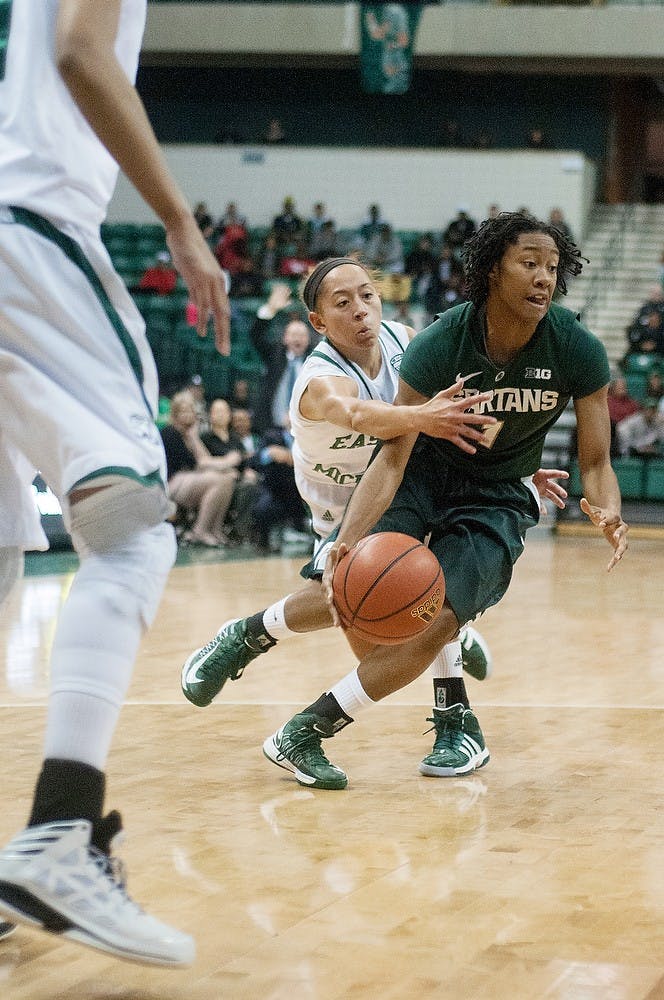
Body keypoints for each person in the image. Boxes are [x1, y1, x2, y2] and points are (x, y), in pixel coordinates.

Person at [0, 0, 230, 963]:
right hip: (32, 238)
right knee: (134, 528)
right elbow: (83, 50)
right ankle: (61, 826)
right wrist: (180, 221)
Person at [257, 214, 628, 792]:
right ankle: (251, 636)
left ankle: (306, 730)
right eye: (529, 264)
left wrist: (607, 509)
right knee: (349, 584)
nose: (544, 279)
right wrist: (345, 541)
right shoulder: (438, 344)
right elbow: (394, 456)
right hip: (423, 475)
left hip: (497, 498)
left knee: (433, 622)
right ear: (490, 271)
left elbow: (597, 462)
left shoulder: (576, 349)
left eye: (553, 268)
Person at [181, 256, 568, 769]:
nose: (361, 310)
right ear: (319, 322)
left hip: (411, 482)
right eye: (343, 303)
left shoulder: (404, 339)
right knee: (361, 620)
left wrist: (515, 467)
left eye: (367, 295)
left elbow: (463, 411)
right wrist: (421, 416)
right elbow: (359, 414)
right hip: (342, 507)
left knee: (424, 610)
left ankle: (454, 709)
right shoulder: (318, 382)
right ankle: (250, 633)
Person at [161, 392, 238, 547]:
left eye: (190, 410)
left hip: (187, 479)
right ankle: (200, 530)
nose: (187, 415)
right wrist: (226, 463)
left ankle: (215, 529)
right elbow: (198, 464)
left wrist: (194, 437)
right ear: (175, 413)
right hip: (170, 483)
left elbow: (204, 458)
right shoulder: (170, 433)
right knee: (218, 480)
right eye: (183, 411)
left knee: (227, 480)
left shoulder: (189, 434)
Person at [249, 282, 317, 432]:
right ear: (285, 338)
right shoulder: (275, 354)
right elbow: (256, 336)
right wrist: (271, 309)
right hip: (271, 428)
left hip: (305, 429)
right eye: (293, 335)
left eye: (301, 335)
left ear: (308, 340)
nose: (297, 339)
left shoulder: (315, 361)